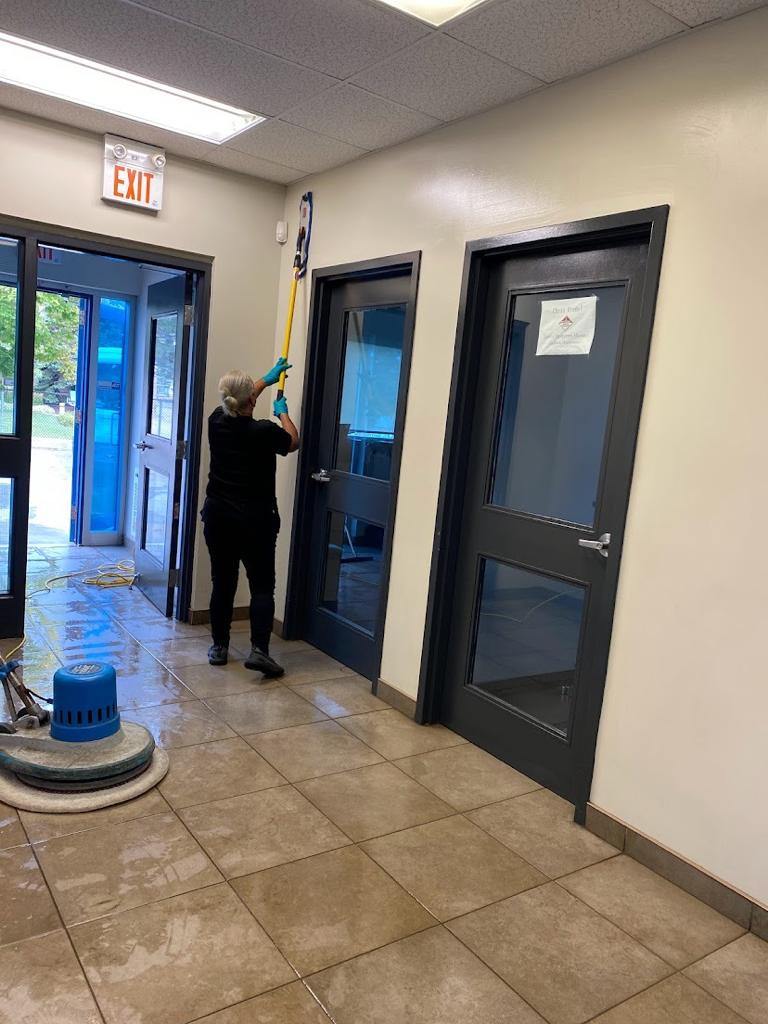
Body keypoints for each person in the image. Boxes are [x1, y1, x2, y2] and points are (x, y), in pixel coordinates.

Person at [202, 357, 299, 674]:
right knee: (261, 586)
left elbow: (241, 397)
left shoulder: (216, 421)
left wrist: (265, 380)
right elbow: (293, 441)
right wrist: (283, 414)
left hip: (219, 519)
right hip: (256, 522)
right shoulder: (264, 431)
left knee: (222, 583)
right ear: (252, 401)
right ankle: (259, 651)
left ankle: (219, 647)